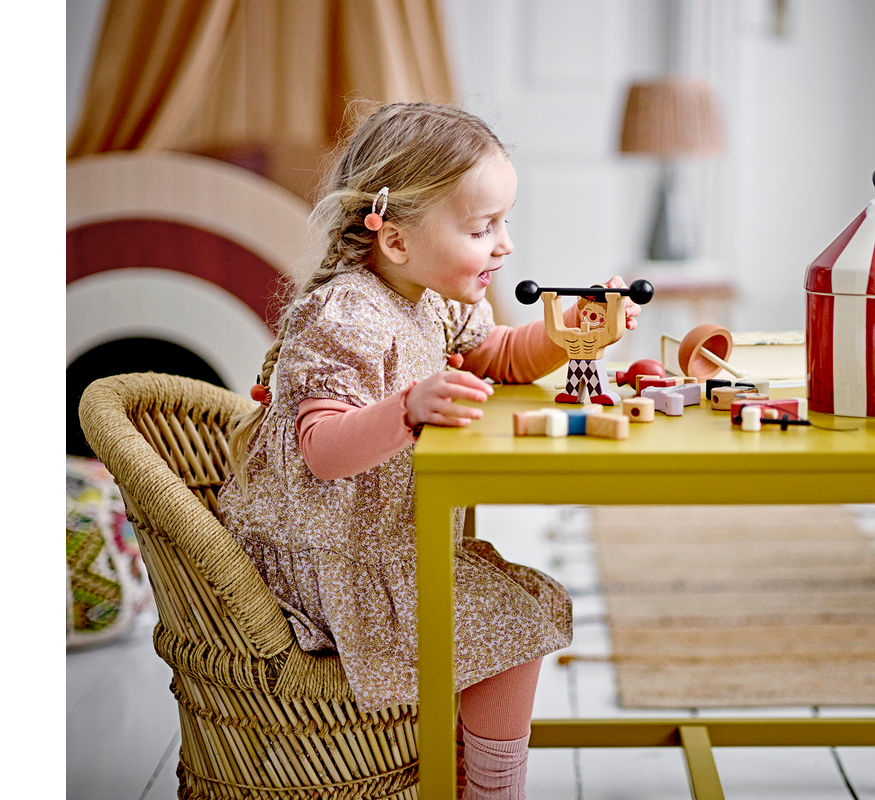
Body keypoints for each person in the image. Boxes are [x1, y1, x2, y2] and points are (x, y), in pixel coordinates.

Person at [217, 101, 641, 799]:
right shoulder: (345, 315)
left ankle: (468, 769)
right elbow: (322, 450)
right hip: (333, 563)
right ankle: (489, 789)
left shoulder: (435, 297)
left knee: (520, 599)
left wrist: (574, 332)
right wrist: (407, 409)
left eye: (502, 222)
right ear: (398, 241)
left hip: (389, 542)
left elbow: (499, 354)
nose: (504, 245)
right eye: (482, 228)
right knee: (519, 619)